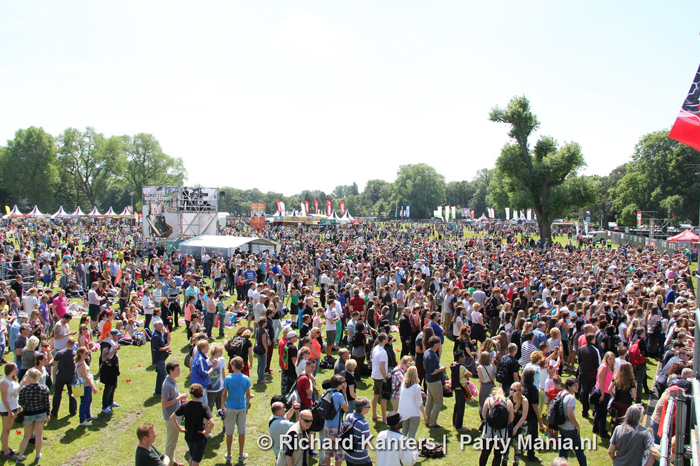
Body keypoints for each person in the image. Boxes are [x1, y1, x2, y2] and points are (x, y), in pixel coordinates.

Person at [170, 384, 214, 466]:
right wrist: (207, 432)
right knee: (195, 461)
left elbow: (172, 418)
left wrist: (179, 429)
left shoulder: (185, 405)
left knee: (193, 457)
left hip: (189, 437)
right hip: (199, 438)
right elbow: (212, 422)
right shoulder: (204, 407)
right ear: (202, 394)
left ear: (191, 394)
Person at [16, 368, 50, 463]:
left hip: (28, 414)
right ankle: (37, 455)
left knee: (26, 436)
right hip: (40, 413)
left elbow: (21, 402)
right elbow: (47, 403)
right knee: (38, 435)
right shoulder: (44, 388)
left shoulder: (24, 389)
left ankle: (19, 457)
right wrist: (48, 414)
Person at [221, 356, 251, 463]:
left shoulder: (228, 379)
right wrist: (247, 406)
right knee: (241, 431)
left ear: (233, 366)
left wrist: (222, 405)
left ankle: (229, 454)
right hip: (241, 407)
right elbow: (248, 394)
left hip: (230, 407)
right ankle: (241, 454)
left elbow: (224, 394)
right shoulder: (246, 378)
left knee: (229, 432)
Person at [479, 387, 515, 466]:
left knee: (485, 453)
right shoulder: (508, 402)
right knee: (498, 455)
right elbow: (511, 419)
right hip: (502, 432)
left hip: (489, 430)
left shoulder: (489, 400)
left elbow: (484, 415)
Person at [162, 362, 188, 466]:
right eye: (177, 369)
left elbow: (173, 396)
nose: (179, 370)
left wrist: (180, 397)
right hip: (170, 418)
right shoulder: (167, 385)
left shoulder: (172, 380)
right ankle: (168, 463)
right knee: (171, 443)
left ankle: (172, 461)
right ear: (170, 371)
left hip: (175, 415)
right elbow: (164, 404)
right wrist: (179, 398)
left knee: (173, 441)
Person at [556, 378, 587, 466]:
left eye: (578, 385)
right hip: (570, 428)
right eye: (575, 385)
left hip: (561, 426)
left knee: (563, 450)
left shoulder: (561, 393)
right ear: (569, 387)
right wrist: (577, 425)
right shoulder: (571, 398)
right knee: (579, 451)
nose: (577, 387)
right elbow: (570, 415)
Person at [324, 375, 349, 466]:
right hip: (336, 428)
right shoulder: (339, 395)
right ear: (340, 384)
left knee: (328, 449)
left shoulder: (327, 392)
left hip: (326, 425)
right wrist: (345, 393)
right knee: (339, 451)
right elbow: (346, 408)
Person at [397, 366, 427, 439]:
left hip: (404, 412)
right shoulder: (416, 387)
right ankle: (409, 450)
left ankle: (401, 449)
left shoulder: (403, 384)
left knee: (404, 433)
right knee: (411, 435)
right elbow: (419, 403)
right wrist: (424, 414)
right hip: (414, 413)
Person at [51, 337, 77, 417]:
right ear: (73, 344)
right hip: (71, 376)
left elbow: (53, 362)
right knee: (72, 394)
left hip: (61, 376)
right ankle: (73, 411)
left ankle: (54, 412)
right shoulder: (75, 354)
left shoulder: (60, 353)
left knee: (57, 394)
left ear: (66, 343)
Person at [342, 396, 372, 466]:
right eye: (368, 406)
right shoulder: (364, 424)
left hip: (348, 456)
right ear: (363, 409)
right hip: (360, 459)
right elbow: (366, 444)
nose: (369, 408)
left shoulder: (348, 416)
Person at [423, 336, 446, 429]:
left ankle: (427, 419)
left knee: (429, 400)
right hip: (434, 381)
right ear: (436, 344)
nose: (440, 344)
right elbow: (432, 371)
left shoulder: (427, 352)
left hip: (428, 380)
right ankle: (432, 423)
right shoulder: (432, 355)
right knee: (438, 401)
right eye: (439, 343)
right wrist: (441, 369)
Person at [0, 364, 20, 459]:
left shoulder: (13, 379)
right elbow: (4, 399)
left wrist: (17, 405)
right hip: (7, 409)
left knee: (8, 430)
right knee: (6, 430)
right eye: (15, 368)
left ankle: (5, 448)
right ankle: (6, 452)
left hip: (14, 407)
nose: (17, 369)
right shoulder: (4, 382)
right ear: (10, 369)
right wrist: (9, 411)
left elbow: (15, 394)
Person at [74, 347, 98, 426]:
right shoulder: (80, 364)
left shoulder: (83, 362)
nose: (87, 354)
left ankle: (88, 415)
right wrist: (93, 387)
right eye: (86, 353)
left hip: (86, 384)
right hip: (84, 385)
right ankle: (82, 420)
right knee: (84, 402)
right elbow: (85, 376)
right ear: (80, 354)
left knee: (89, 400)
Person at [594, 351, 615, 438]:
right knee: (602, 413)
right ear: (606, 358)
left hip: (607, 392)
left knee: (599, 411)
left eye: (613, 358)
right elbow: (601, 381)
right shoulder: (604, 368)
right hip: (602, 391)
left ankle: (596, 428)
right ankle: (602, 432)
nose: (611, 360)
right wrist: (602, 394)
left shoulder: (610, 367)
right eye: (610, 358)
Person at [100, 329, 122, 414]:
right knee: (108, 387)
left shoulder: (113, 343)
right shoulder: (107, 344)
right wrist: (114, 350)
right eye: (117, 335)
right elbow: (104, 358)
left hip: (114, 368)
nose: (119, 337)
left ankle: (110, 401)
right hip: (108, 369)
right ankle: (105, 406)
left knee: (114, 385)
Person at [609, 362, 636, 428]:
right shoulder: (631, 380)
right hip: (627, 403)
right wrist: (631, 396)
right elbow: (634, 395)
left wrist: (613, 395)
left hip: (617, 401)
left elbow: (609, 389)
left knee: (617, 420)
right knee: (625, 421)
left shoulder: (616, 378)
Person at [451, 350, 472, 431]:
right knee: (461, 407)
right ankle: (459, 426)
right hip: (461, 389)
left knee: (457, 405)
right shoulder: (461, 367)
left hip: (456, 388)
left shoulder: (453, 365)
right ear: (460, 358)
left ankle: (454, 422)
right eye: (463, 356)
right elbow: (469, 374)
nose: (465, 357)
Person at [370, 333, 389, 423]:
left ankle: (374, 414)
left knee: (376, 394)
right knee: (384, 398)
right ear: (384, 340)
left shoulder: (376, 348)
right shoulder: (382, 352)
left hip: (375, 375)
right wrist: (385, 378)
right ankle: (384, 418)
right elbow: (382, 367)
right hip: (380, 377)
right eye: (387, 338)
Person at [152, 320, 171, 397]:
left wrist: (166, 333)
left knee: (160, 374)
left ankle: (158, 390)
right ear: (156, 327)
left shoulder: (160, 334)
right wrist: (164, 348)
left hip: (162, 357)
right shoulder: (156, 336)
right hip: (159, 358)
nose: (162, 326)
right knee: (164, 374)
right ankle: (165, 391)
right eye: (160, 325)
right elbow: (155, 348)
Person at [477, 351, 496, 419]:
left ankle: (483, 417)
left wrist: (478, 381)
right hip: (490, 385)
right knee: (490, 402)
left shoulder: (480, 367)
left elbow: (481, 379)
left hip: (484, 386)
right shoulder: (491, 366)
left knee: (482, 402)